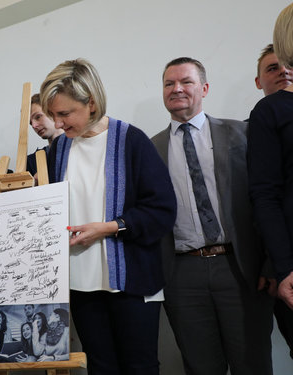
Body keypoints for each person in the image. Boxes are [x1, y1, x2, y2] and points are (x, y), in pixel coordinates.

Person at [41, 58, 177, 374]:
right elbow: (34, 201)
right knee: (101, 367)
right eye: (53, 116)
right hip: (79, 283)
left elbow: (162, 210)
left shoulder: (132, 141)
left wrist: (109, 227)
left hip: (131, 281)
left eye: (64, 114)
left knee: (139, 366)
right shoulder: (57, 150)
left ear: (91, 103)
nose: (58, 124)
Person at [151, 57, 274, 375]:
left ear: (203, 88)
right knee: (201, 366)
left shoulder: (241, 133)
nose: (177, 89)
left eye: (186, 81)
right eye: (169, 83)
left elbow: (264, 199)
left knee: (253, 363)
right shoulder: (150, 149)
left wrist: (268, 263)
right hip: (182, 274)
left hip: (241, 269)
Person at [249, 4, 293, 312]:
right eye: (271, 68)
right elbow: (264, 196)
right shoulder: (269, 112)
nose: (283, 72)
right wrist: (281, 266)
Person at [26, 93, 63, 176]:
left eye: (38, 117)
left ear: (53, 111)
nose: (34, 125)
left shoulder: (79, 145)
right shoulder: (32, 162)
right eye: (30, 123)